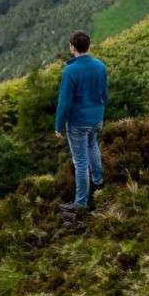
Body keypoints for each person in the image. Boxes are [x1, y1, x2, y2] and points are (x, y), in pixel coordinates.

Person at [55, 30, 108, 212]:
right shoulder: (100, 66)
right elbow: (104, 94)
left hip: (78, 122)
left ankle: (81, 202)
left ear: (72, 47)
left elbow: (65, 102)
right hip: (96, 118)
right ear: (89, 45)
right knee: (93, 146)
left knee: (80, 162)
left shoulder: (71, 71)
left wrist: (59, 126)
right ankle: (99, 181)